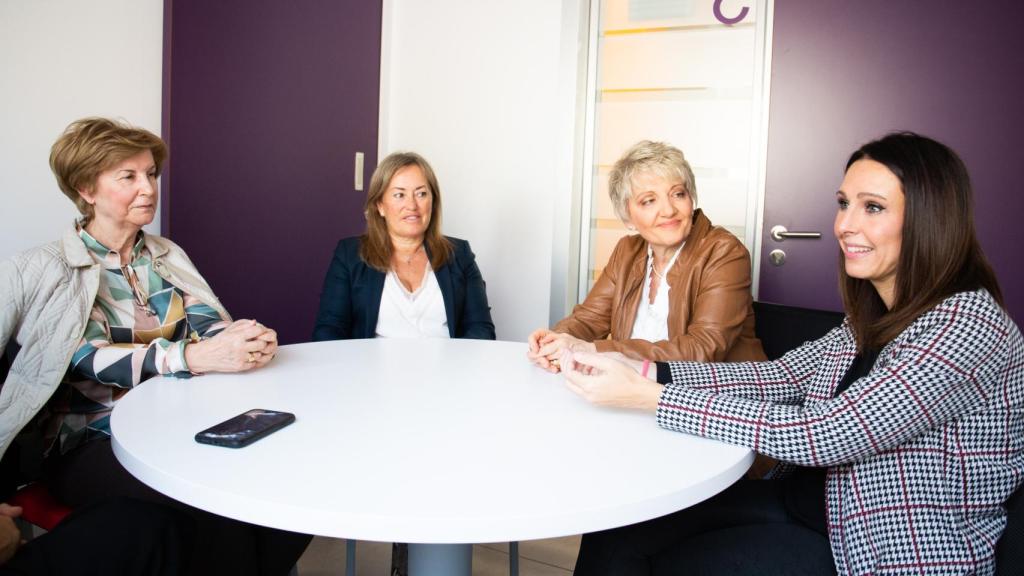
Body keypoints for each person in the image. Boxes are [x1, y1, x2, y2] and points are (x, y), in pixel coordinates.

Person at [561, 132, 1024, 575]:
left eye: (873, 208)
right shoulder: (872, 315)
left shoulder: (968, 325)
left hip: (882, 541)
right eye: (844, 204)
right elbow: (781, 378)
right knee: (618, 530)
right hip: (815, 501)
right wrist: (646, 369)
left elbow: (832, 432)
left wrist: (652, 397)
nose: (845, 225)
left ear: (930, 219)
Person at [0, 117, 309, 575]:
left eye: (151, 173)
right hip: (91, 441)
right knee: (211, 510)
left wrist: (240, 340)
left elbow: (208, 324)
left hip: (184, 423)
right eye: (128, 176)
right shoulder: (36, 268)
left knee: (289, 484)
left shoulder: (166, 254)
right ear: (86, 189)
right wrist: (187, 356)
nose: (148, 188)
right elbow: (81, 357)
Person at [527, 140, 764, 373]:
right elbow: (589, 319)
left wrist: (594, 350)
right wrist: (555, 342)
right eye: (649, 201)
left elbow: (703, 349)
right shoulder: (627, 251)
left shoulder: (724, 252)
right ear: (627, 217)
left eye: (678, 194)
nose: (669, 210)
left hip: (717, 397)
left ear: (691, 199)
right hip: (638, 388)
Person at [313, 151, 495, 341]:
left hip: (446, 369)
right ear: (380, 206)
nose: (412, 205)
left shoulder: (460, 254)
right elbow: (329, 331)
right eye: (400, 195)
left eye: (421, 194)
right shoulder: (349, 254)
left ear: (433, 201)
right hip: (372, 369)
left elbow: (481, 330)